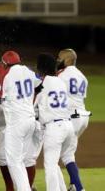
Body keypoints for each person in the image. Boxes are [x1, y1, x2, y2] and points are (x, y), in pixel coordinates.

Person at [35, 53, 75, 191]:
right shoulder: (61, 81)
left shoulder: (43, 83)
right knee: (54, 162)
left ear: (41, 68)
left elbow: (33, 103)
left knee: (50, 165)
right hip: (68, 126)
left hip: (55, 128)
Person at [0, 51, 37, 191]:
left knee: (14, 162)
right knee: (20, 160)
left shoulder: (8, 76)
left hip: (17, 123)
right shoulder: (28, 71)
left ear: (5, 64)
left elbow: (2, 99)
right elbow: (38, 84)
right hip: (30, 119)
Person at [57, 49, 90, 191]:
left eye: (60, 58)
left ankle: (72, 187)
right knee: (68, 153)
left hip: (72, 116)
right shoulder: (83, 76)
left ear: (68, 60)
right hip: (83, 116)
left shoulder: (62, 75)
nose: (58, 60)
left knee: (57, 155)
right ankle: (75, 186)